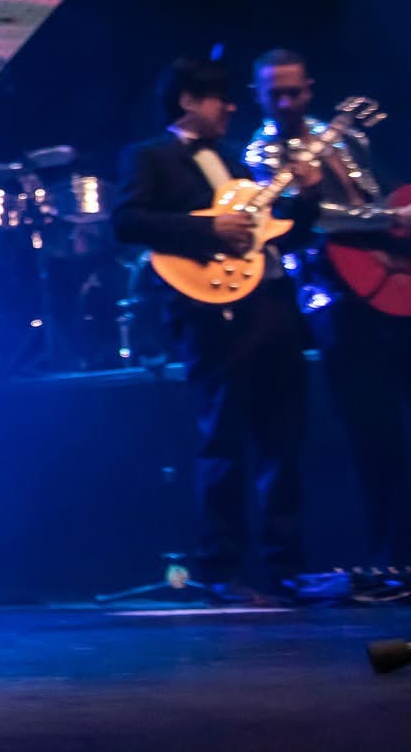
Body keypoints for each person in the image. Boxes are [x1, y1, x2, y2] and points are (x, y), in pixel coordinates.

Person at [114, 57, 309, 604]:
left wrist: (306, 197)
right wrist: (208, 228)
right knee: (223, 437)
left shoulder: (234, 157)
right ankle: (222, 569)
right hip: (210, 311)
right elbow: (127, 221)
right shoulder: (149, 155)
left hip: (269, 304)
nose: (229, 107)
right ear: (187, 101)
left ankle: (286, 567)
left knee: (283, 438)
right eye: (218, 98)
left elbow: (277, 231)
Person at [248, 48, 411, 565]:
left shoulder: (339, 134)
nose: (285, 102)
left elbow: (378, 189)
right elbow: (308, 221)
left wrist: (395, 215)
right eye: (274, 93)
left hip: (394, 282)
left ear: (309, 89)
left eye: (294, 91)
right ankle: (392, 558)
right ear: (258, 96)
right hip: (332, 298)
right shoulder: (262, 154)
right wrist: (389, 219)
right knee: (373, 428)